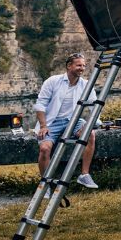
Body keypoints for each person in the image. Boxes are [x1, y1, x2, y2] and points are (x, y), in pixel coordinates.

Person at [34, 53, 99, 191]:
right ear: (69, 66)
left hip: (73, 120)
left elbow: (94, 105)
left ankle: (84, 175)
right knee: (44, 149)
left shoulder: (86, 84)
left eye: (83, 65)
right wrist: (43, 126)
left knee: (90, 134)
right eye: (79, 65)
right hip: (52, 122)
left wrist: (95, 122)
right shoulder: (52, 81)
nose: (82, 68)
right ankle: (45, 184)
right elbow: (40, 104)